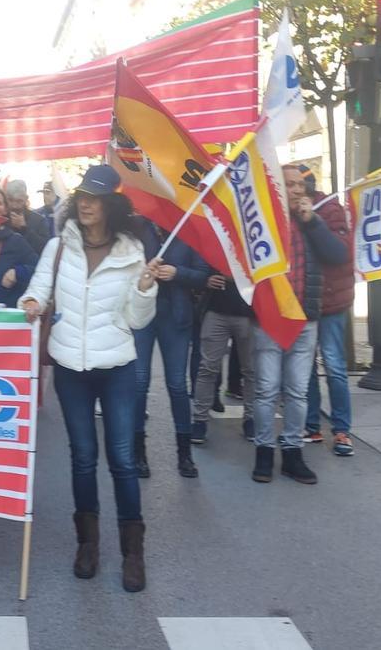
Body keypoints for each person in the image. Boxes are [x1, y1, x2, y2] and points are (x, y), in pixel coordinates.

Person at [19, 164, 160, 593]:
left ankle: (132, 553)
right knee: (82, 457)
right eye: (82, 195)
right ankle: (88, 545)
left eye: (95, 197)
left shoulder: (133, 253)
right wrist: (29, 302)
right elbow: (38, 291)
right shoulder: (58, 247)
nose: (85, 203)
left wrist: (145, 288)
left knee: (120, 459)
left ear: (112, 205)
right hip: (69, 368)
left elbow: (137, 319)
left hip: (117, 366)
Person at [251, 165, 348, 486]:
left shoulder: (313, 218)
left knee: (296, 391)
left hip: (305, 317)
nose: (295, 190)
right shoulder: (262, 220)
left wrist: (313, 222)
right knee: (266, 389)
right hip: (270, 318)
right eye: (288, 184)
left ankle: (292, 452)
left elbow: (337, 254)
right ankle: (264, 450)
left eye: (299, 185)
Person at [131, 217, 204, 478]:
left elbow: (204, 274)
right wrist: (142, 273)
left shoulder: (188, 228)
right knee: (139, 382)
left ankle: (184, 454)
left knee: (177, 384)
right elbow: (124, 268)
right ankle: (138, 452)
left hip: (176, 316)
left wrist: (178, 273)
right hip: (142, 314)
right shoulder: (137, 227)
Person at [303, 169, 356, 456]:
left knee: (334, 366)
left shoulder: (329, 209)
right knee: (305, 367)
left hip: (331, 302)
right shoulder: (287, 212)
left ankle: (341, 430)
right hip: (304, 302)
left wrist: (313, 222)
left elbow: (338, 253)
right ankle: (311, 426)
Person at [190, 257, 256, 446]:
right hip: (216, 311)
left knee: (250, 370)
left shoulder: (254, 234)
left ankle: (250, 418)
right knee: (208, 368)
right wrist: (206, 280)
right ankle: (200, 420)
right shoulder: (218, 233)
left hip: (249, 313)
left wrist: (235, 276)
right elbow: (200, 266)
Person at [4, 179, 50, 254]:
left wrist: (24, 228)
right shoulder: (0, 217)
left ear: (26, 199)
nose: (14, 205)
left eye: (19, 201)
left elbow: (45, 250)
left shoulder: (39, 221)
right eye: (10, 200)